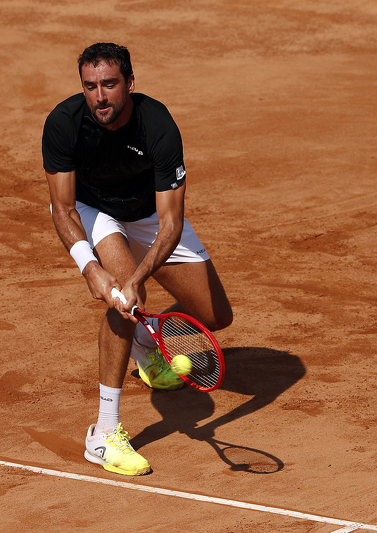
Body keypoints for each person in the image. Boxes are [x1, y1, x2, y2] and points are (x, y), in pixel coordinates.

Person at [42, 42, 233, 476]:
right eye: (90, 86)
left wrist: (136, 277)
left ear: (129, 83)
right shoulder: (63, 124)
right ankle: (104, 434)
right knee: (127, 299)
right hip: (93, 211)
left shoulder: (158, 126)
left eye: (109, 84)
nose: (99, 97)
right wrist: (90, 267)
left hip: (148, 216)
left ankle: (147, 346)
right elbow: (63, 208)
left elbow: (170, 224)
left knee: (215, 315)